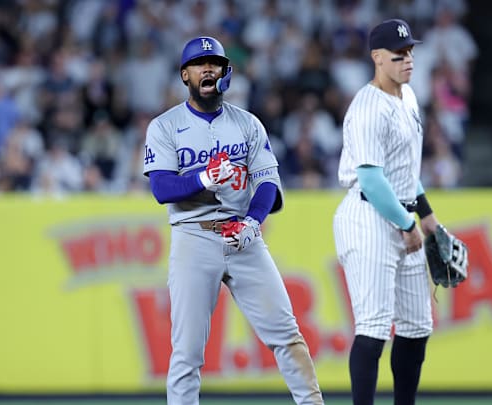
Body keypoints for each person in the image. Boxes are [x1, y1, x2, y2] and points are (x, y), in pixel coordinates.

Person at [143, 36, 324, 405]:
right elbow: (161, 187)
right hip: (193, 237)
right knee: (187, 353)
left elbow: (268, 182)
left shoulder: (247, 123)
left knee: (287, 335)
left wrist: (254, 222)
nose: (208, 68)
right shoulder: (164, 126)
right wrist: (203, 179)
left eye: (215, 62)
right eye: (199, 63)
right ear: (185, 75)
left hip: (244, 237)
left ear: (226, 72)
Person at [333, 19, 445, 405]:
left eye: (411, 51)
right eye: (399, 55)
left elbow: (403, 171)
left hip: (402, 214)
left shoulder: (408, 95)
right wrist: (407, 224)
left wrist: (426, 216)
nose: (408, 59)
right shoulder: (367, 108)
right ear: (377, 58)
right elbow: (372, 180)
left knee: (416, 326)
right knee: (374, 327)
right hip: (368, 218)